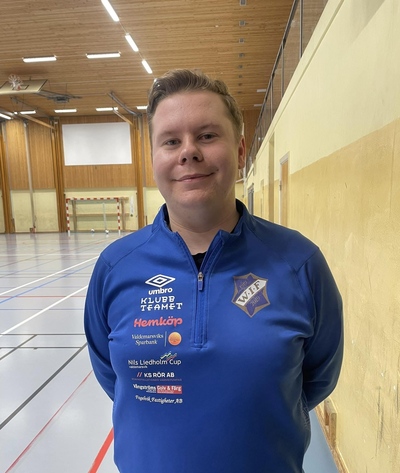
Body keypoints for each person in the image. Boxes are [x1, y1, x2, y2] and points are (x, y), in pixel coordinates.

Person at [84, 69, 343, 473]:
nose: (188, 152)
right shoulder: (115, 268)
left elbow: (316, 378)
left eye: (206, 136)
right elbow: (111, 376)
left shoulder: (299, 263)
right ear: (154, 159)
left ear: (239, 152)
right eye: (171, 141)